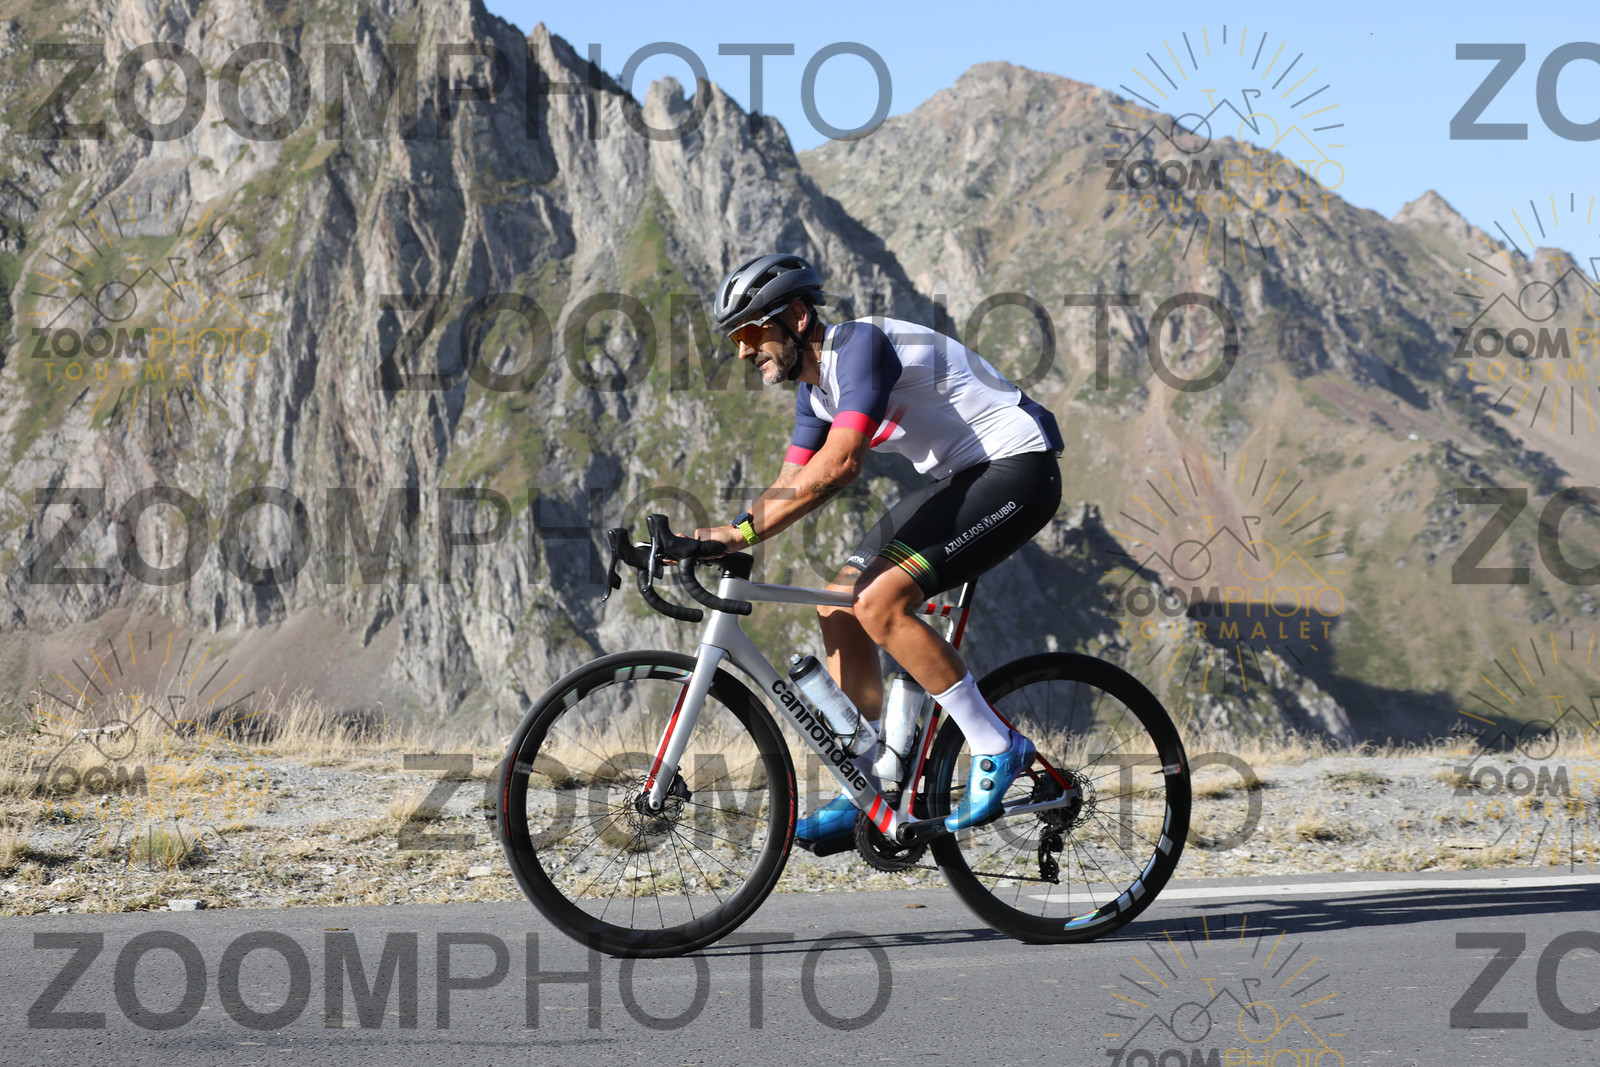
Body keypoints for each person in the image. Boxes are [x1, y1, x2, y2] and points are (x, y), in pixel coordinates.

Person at [691, 253, 1064, 850]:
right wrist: (715, 536)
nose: (742, 351)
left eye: (751, 332)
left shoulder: (859, 347)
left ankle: (997, 744)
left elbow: (841, 464)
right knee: (838, 603)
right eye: (736, 339)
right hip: (962, 477)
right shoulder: (814, 395)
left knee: (878, 602)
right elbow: (790, 485)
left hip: (1017, 466)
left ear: (796, 316)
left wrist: (739, 535)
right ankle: (865, 785)